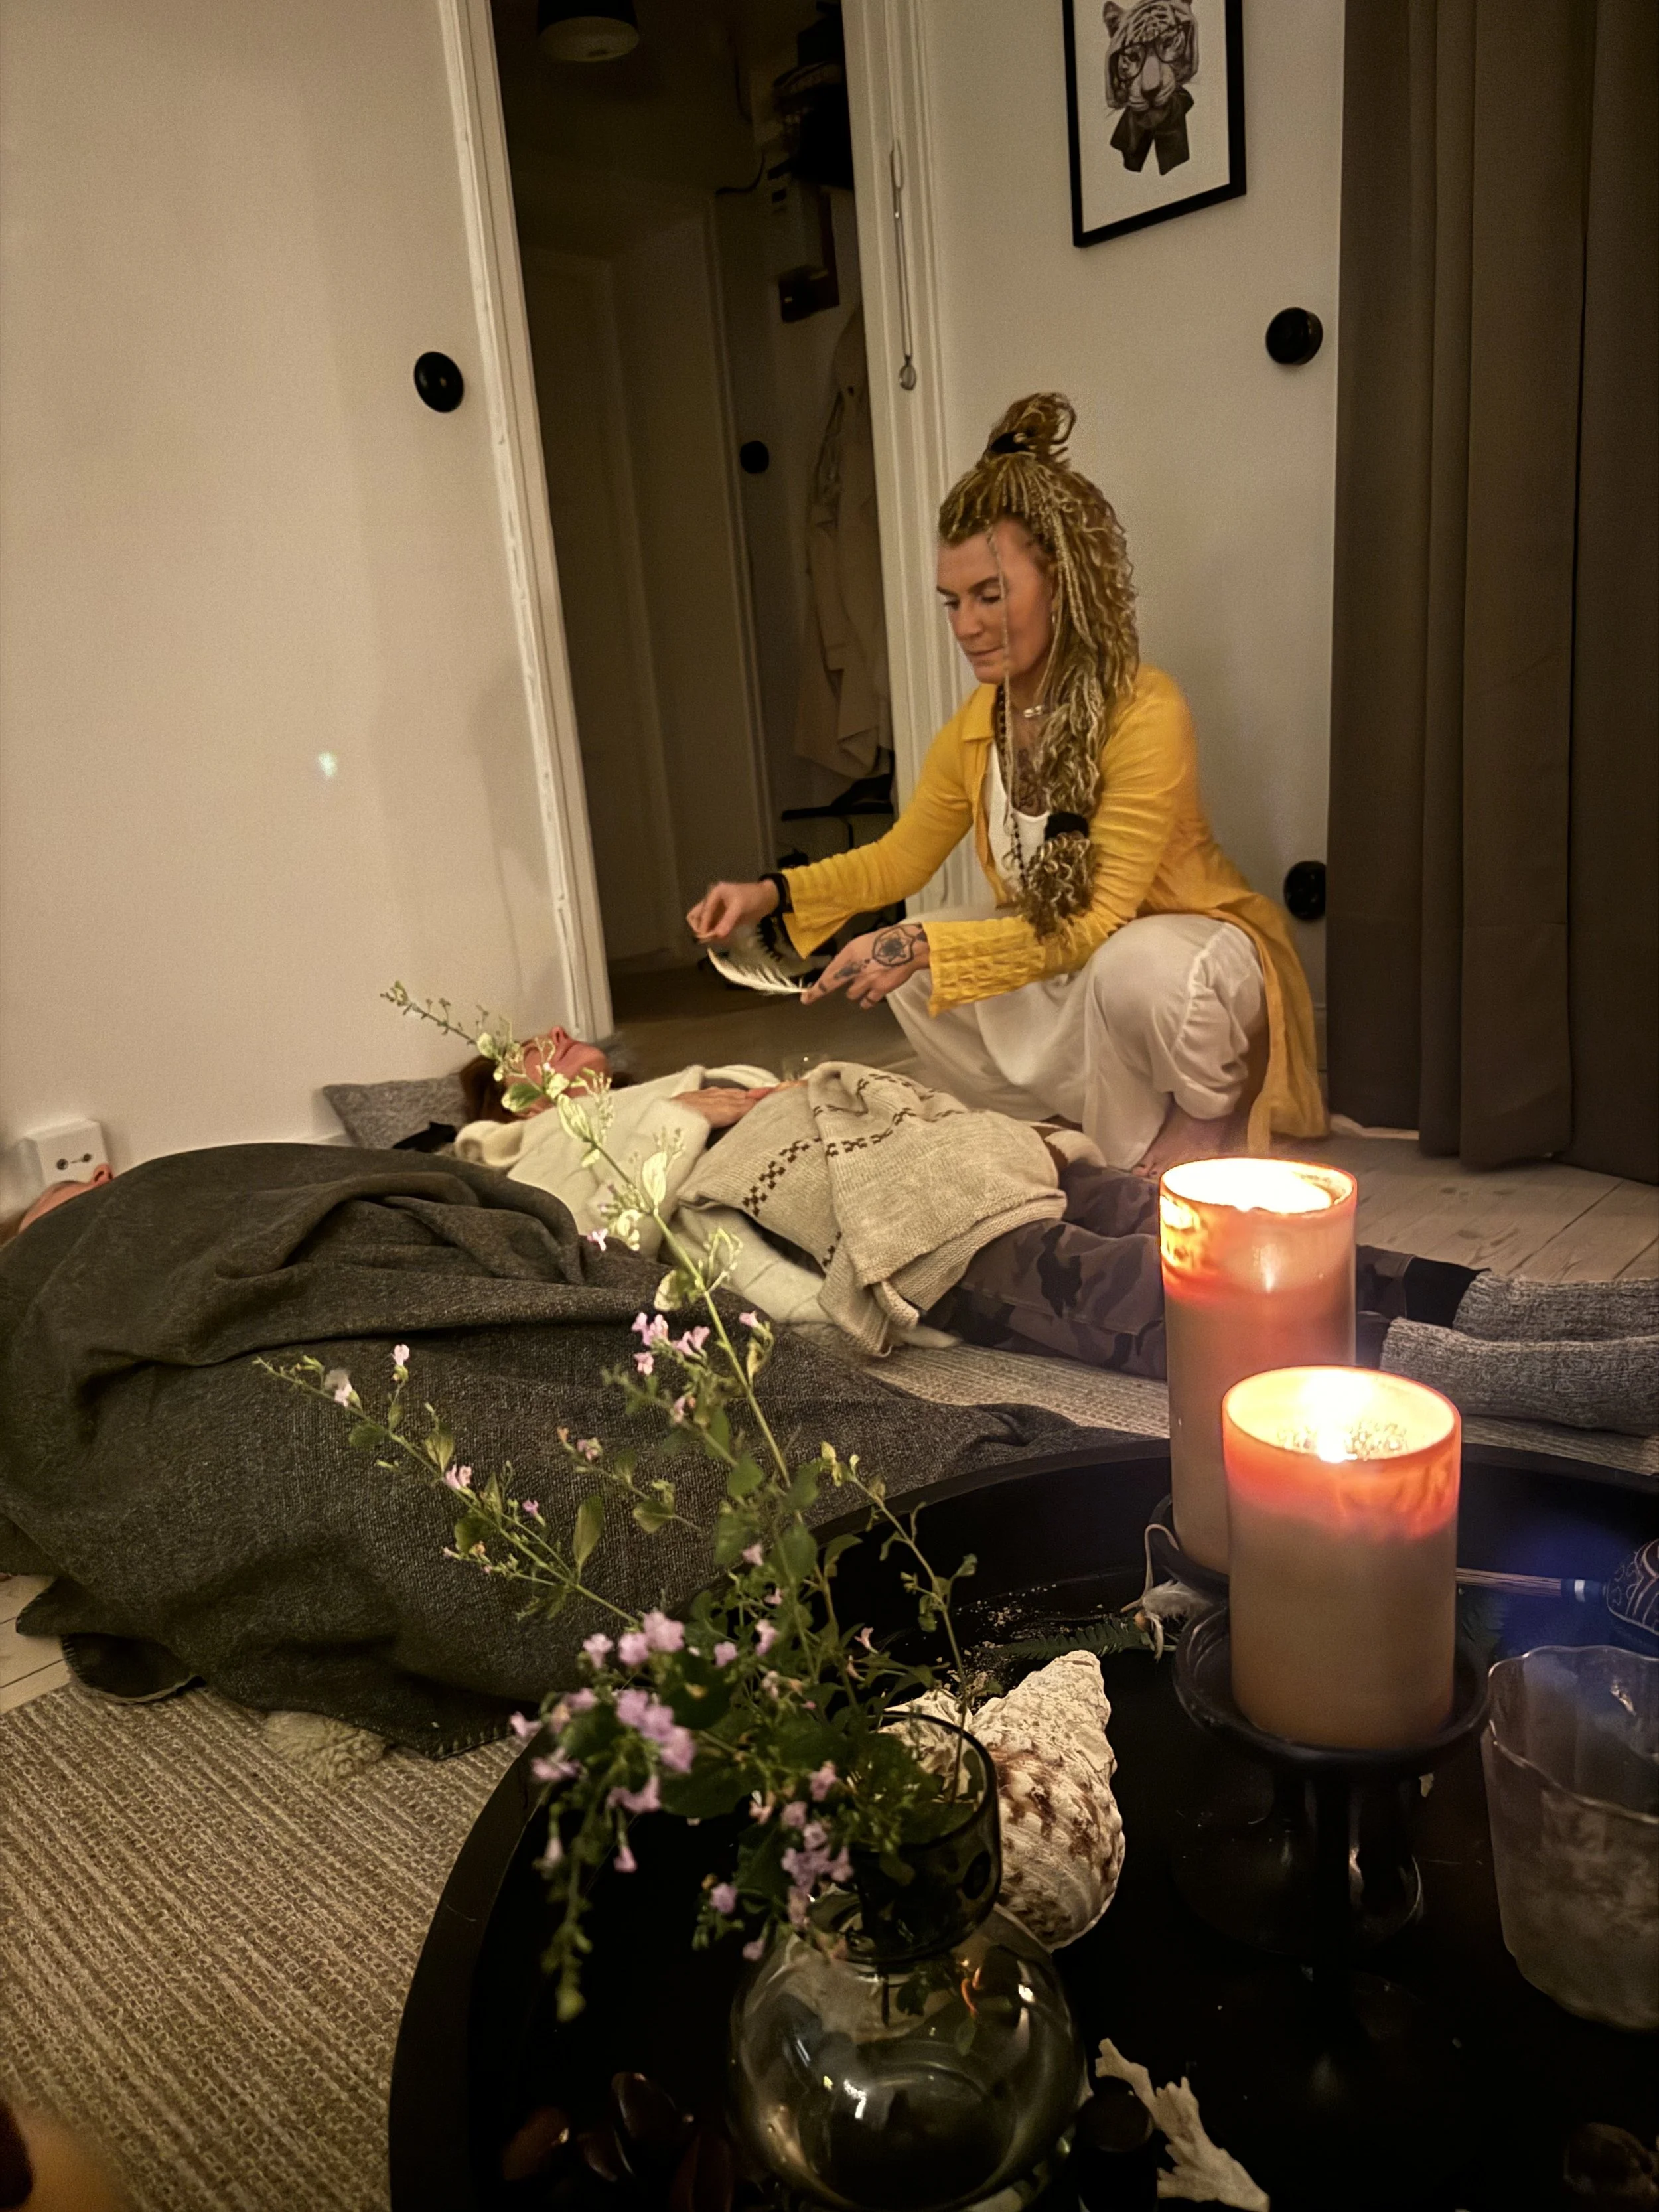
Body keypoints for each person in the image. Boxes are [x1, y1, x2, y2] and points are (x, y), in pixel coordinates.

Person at [686, 392, 1326, 1180]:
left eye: (990, 596)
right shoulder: (977, 723)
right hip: (1067, 952)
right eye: (952, 602)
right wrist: (770, 894)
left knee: (1128, 966)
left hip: (1180, 949)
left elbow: (1094, 923)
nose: (965, 626)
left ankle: (1205, 1116)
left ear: (1063, 584)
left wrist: (920, 944)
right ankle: (1058, 1122)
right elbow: (899, 859)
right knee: (918, 971)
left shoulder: (1143, 707)